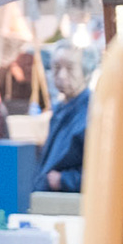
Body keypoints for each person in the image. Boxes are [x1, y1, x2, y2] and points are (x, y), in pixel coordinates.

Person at [36, 46, 90, 192]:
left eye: (70, 68)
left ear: (86, 72)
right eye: (56, 67)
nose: (62, 75)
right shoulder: (60, 108)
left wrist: (65, 180)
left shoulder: (92, 112)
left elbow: (103, 171)